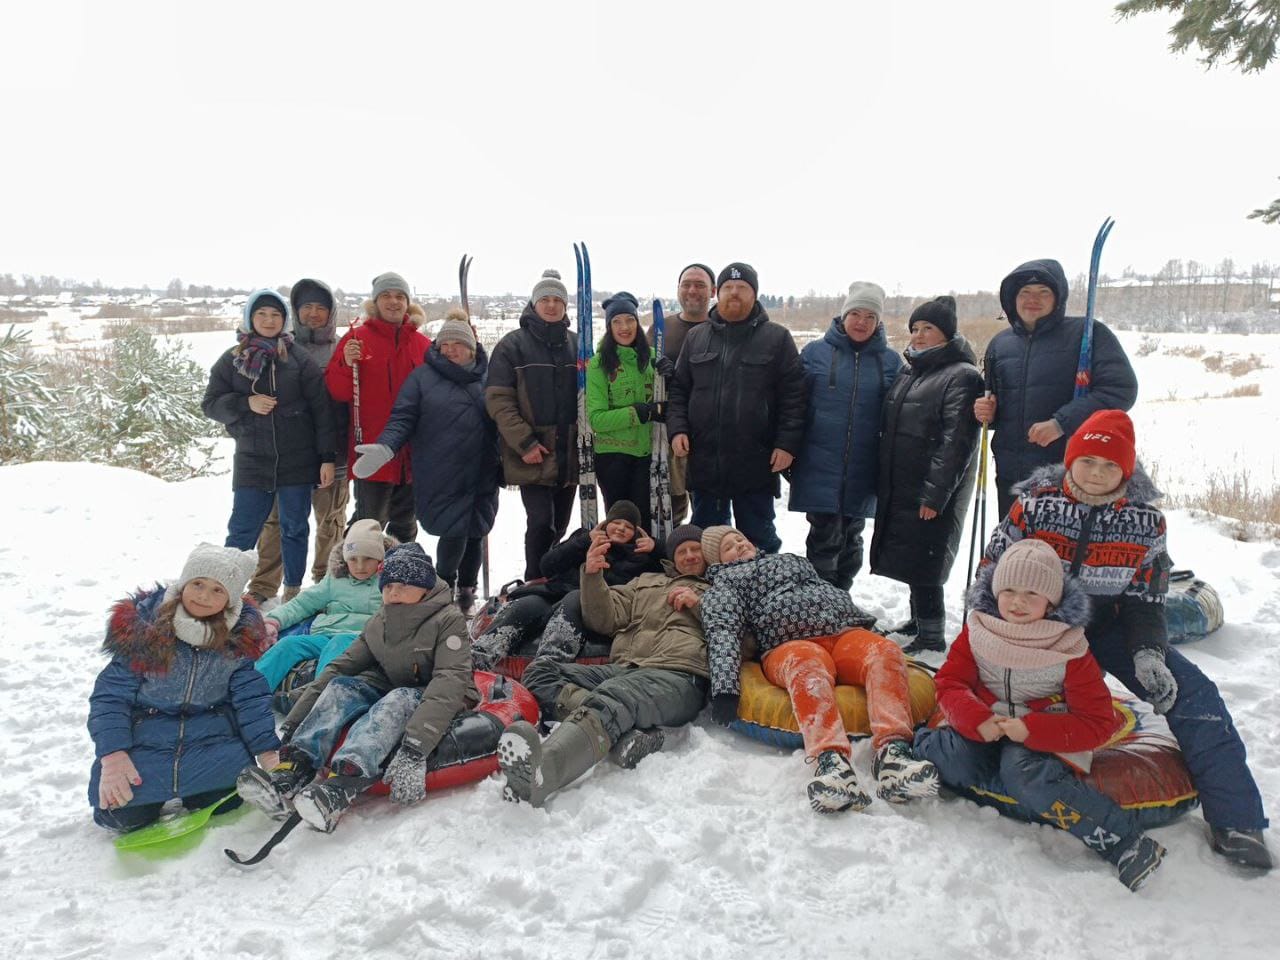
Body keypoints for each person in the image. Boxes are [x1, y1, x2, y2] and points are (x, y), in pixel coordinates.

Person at [984, 409, 1271, 870]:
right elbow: (993, 573)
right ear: (1070, 459)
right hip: (1039, 627)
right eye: (1087, 461)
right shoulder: (1034, 505)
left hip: (1109, 627)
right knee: (1032, 706)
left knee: (1194, 693)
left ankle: (1236, 819)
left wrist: (1148, 652)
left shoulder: (1146, 523)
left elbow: (1147, 600)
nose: (1097, 473)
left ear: (1127, 469)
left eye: (1109, 465)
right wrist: (990, 637)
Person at [914, 540, 1167, 891]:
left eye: (1032, 593)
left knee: (1024, 772)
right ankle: (910, 751)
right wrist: (976, 719)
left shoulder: (1069, 647)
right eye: (1009, 590)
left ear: (1052, 600)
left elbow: (1097, 722)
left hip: (1043, 729)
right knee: (955, 758)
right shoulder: (979, 630)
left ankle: (1126, 842)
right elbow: (950, 682)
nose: (1017, 602)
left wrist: (1031, 730)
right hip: (988, 722)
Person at [238, 543, 477, 833]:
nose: (394, 593)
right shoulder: (381, 621)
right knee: (341, 687)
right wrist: (295, 721)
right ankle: (295, 766)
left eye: (403, 585)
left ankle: (345, 781)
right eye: (388, 586)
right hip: (394, 679)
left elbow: (450, 679)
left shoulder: (448, 620)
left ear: (424, 588)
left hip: (438, 693)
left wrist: (415, 748)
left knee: (398, 699)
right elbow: (341, 666)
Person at [699, 526, 938, 813]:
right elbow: (722, 630)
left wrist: (861, 621)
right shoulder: (725, 583)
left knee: (884, 654)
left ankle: (893, 753)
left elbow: (826, 591)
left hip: (843, 632)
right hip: (788, 643)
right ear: (717, 561)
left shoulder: (789, 559)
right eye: (728, 547)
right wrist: (725, 688)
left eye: (740, 538)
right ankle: (830, 761)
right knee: (807, 670)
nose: (738, 545)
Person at [498, 524, 711, 806]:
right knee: (541, 671)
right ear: (672, 557)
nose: (690, 555)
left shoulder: (720, 589)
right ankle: (620, 730)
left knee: (615, 696)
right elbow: (604, 618)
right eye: (682, 551)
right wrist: (592, 576)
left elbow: (744, 643)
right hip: (626, 668)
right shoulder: (646, 582)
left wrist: (700, 606)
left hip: (679, 677)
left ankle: (543, 773)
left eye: (696, 549)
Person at [88, 544, 278, 831]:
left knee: (225, 802)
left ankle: (206, 790)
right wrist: (113, 755)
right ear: (183, 584)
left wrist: (267, 752)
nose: (204, 596)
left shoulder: (237, 640)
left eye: (217, 590)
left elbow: (251, 701)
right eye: (198, 584)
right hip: (146, 738)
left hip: (212, 739)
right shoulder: (146, 630)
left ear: (230, 600)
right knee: (120, 816)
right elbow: (110, 697)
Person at [352, 309, 500, 615]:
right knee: (453, 531)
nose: (450, 350)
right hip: (441, 470)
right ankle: (443, 591)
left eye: (457, 344)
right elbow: (402, 418)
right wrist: (386, 447)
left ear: (471, 347)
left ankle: (467, 594)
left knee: (476, 531)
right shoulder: (422, 378)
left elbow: (505, 416)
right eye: (445, 345)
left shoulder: (489, 378)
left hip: (482, 470)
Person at [974, 259, 1137, 517]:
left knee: (1058, 541)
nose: (1033, 299)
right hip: (1010, 475)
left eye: (1043, 292)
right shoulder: (1000, 344)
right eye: (1025, 292)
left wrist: (1061, 423)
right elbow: (994, 399)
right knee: (1015, 540)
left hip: (1068, 473)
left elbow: (1119, 390)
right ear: (1012, 298)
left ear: (1058, 297)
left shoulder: (1087, 334)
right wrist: (987, 412)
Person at [203, 289, 336, 601]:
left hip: (297, 460)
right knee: (242, 529)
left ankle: (292, 592)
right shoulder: (232, 359)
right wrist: (245, 403)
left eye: (276, 314)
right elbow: (210, 404)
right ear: (250, 317)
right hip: (252, 459)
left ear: (284, 320)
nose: (268, 320)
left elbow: (322, 411)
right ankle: (225, 594)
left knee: (295, 528)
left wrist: (327, 457)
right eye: (261, 314)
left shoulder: (298, 359)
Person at [870, 296, 984, 654]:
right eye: (915, 328)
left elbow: (957, 442)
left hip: (933, 488)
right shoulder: (912, 371)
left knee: (926, 560)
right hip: (904, 483)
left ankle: (932, 635)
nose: (918, 335)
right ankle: (918, 620)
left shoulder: (962, 376)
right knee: (911, 557)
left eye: (928, 328)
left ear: (947, 334)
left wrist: (936, 495)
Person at [667, 262, 806, 554]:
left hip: (755, 463)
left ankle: (763, 583)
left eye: (742, 287)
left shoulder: (777, 338)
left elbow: (794, 397)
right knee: (708, 541)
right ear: (718, 293)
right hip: (706, 462)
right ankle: (711, 585)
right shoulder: (697, 337)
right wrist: (677, 429)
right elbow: (679, 389)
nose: (734, 293)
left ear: (754, 294)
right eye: (728, 287)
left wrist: (786, 444)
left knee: (757, 541)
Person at [788, 281, 899, 591]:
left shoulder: (890, 361)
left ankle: (842, 594)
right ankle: (822, 599)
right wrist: (789, 449)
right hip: (819, 462)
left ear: (878, 322)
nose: (861, 322)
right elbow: (793, 403)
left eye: (870, 316)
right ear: (843, 315)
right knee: (824, 535)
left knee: (852, 536)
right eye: (855, 314)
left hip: (864, 466)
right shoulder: (815, 353)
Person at [248, 278, 351, 602]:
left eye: (321, 307)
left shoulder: (342, 349)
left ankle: (326, 583)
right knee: (276, 522)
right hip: (286, 453)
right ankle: (264, 586)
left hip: (333, 452)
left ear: (331, 312)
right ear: (295, 310)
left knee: (330, 520)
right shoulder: (277, 349)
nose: (314, 313)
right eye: (307, 306)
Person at [470, 500, 662, 671]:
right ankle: (479, 658)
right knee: (526, 606)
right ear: (606, 523)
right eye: (616, 522)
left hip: (591, 606)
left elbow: (673, 565)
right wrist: (584, 541)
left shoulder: (640, 556)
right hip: (554, 593)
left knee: (574, 599)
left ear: (635, 532)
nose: (620, 528)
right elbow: (547, 565)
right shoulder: (584, 537)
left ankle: (548, 665)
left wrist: (656, 547)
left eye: (628, 526)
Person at [325, 272, 431, 544]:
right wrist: (345, 364)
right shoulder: (356, 339)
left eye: (400, 296)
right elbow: (338, 391)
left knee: (405, 525)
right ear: (375, 302)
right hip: (372, 449)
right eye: (386, 296)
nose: (393, 302)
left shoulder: (423, 345)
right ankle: (346, 568)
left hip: (412, 452)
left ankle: (401, 570)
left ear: (408, 303)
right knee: (368, 524)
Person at [486, 268, 580, 579]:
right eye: (545, 299)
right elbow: (499, 400)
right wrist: (524, 442)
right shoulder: (512, 346)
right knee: (541, 523)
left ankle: (551, 577)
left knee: (561, 525)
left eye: (557, 300)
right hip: (533, 451)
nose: (551, 305)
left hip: (569, 453)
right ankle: (534, 580)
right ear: (534, 304)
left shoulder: (577, 345)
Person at [253, 518, 390, 695]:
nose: (360, 566)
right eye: (353, 559)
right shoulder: (335, 580)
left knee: (338, 643)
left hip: (362, 641)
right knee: (289, 644)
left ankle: (317, 696)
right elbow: (303, 603)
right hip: (325, 636)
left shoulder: (390, 584)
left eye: (368, 558)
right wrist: (273, 621)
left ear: (380, 558)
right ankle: (251, 694)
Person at [647, 263, 716, 525]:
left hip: (709, 433)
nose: (692, 290)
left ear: (713, 291)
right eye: (686, 284)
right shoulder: (661, 329)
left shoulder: (721, 329)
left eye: (700, 285)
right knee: (671, 506)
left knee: (708, 510)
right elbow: (640, 372)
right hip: (667, 432)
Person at [587, 291, 657, 531]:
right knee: (620, 526)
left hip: (647, 455)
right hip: (613, 458)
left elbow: (664, 404)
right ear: (609, 327)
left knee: (644, 523)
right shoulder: (599, 364)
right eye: (616, 321)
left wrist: (670, 377)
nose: (624, 327)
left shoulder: (652, 359)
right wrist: (636, 414)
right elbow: (596, 419)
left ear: (638, 323)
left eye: (629, 320)